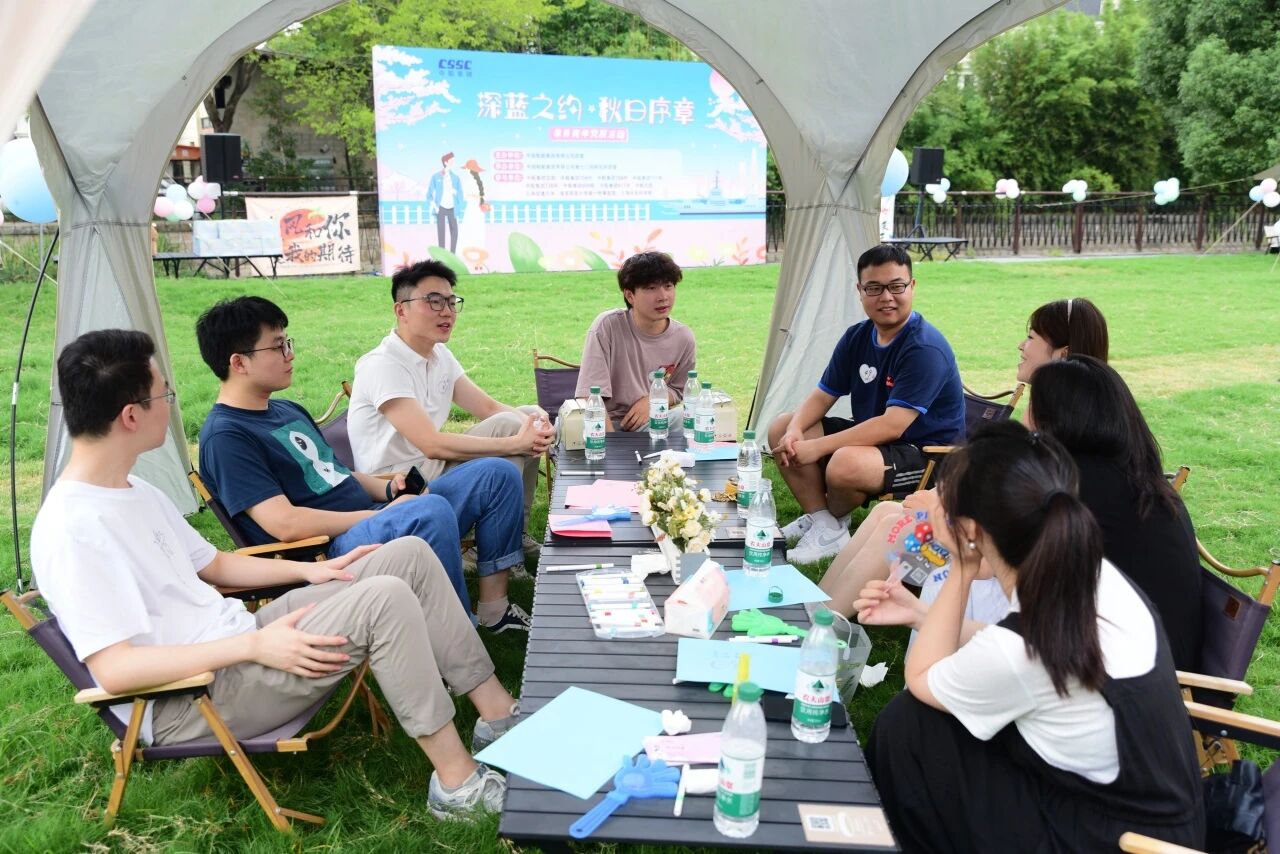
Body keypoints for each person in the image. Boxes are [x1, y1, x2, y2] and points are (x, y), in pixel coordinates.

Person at [31, 329, 519, 818]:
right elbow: (116, 671)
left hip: (241, 642)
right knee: (383, 599)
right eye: (164, 395)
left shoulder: (134, 489)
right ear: (130, 416)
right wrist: (253, 647)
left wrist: (313, 573)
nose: (171, 405)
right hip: (192, 697)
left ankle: (497, 716)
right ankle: (458, 786)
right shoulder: (73, 528)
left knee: (407, 554)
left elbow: (215, 564)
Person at [863, 422, 1205, 851]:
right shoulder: (1090, 572)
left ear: (971, 531)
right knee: (930, 729)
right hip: (1153, 812)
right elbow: (1029, 654)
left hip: (1116, 840)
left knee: (908, 728)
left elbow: (922, 678)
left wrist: (962, 568)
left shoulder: (1020, 646)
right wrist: (921, 615)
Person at [195, 296, 530, 633]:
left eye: (288, 343)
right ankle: (457, 631)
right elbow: (286, 524)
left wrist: (388, 489)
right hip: (329, 550)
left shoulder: (287, 410)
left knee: (496, 473)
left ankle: (494, 610)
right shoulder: (227, 437)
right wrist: (379, 515)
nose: (290, 354)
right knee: (427, 510)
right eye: (278, 346)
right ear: (239, 362)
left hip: (370, 517)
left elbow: (335, 474)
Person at [820, 296, 1110, 617]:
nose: (1021, 345)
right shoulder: (1065, 410)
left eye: (1030, 337)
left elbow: (1018, 513)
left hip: (1004, 563)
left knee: (902, 527)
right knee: (887, 511)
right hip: (997, 541)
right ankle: (817, 606)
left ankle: (822, 622)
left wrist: (940, 511)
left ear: (1062, 354)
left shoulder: (1059, 423)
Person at [769, 244, 964, 564]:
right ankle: (825, 524)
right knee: (781, 427)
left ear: (912, 286)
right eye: (874, 288)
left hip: (928, 455)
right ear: (860, 291)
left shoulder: (924, 347)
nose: (886, 297)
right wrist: (794, 430)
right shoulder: (857, 336)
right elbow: (823, 395)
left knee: (845, 463)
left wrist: (817, 448)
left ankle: (830, 523)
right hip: (880, 442)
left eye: (896, 286)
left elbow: (892, 425)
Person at [347, 259, 552, 557]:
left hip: (430, 465)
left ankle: (514, 533)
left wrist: (537, 425)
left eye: (451, 302)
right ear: (401, 310)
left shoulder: (439, 354)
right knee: (513, 429)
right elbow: (431, 444)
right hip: (397, 481)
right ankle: (498, 548)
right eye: (434, 301)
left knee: (526, 417)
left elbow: (487, 406)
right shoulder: (383, 364)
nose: (447, 311)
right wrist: (516, 441)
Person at [575, 251, 696, 431]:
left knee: (694, 415)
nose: (663, 296)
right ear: (630, 295)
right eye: (651, 288)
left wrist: (653, 400)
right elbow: (589, 396)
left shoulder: (683, 337)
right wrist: (611, 442)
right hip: (603, 424)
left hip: (651, 423)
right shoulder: (607, 326)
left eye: (668, 286)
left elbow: (679, 390)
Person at [425, 152, 466, 253]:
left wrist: (455, 192)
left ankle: (452, 254)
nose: (453, 163)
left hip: (452, 208)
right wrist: (434, 205)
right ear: (446, 162)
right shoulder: (436, 177)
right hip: (440, 208)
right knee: (441, 232)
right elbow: (429, 194)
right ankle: (442, 254)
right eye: (451, 161)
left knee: (455, 231)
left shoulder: (456, 178)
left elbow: (461, 195)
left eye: (454, 161)